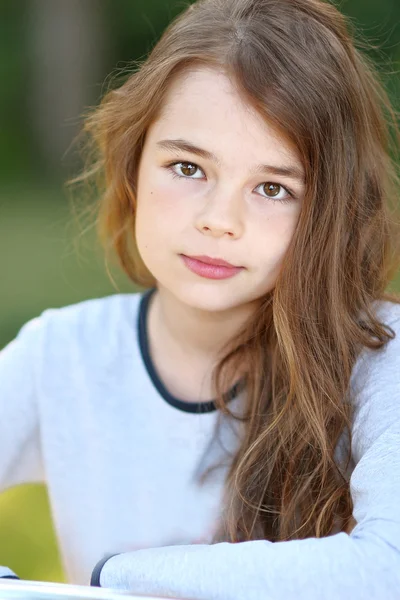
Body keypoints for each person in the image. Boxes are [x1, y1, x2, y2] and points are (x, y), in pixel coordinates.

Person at [1, 0, 400, 598]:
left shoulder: (380, 358)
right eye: (188, 168)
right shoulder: (62, 354)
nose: (220, 220)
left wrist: (118, 579)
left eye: (273, 187)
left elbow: (388, 569)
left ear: (329, 211)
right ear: (133, 164)